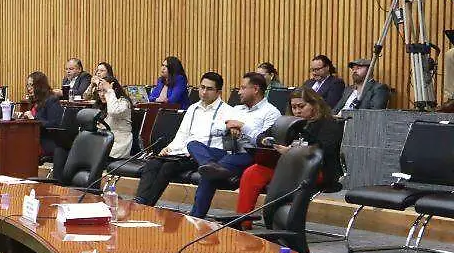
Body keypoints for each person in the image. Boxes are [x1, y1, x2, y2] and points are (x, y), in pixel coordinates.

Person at [234, 87, 343, 228]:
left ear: (314, 105)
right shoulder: (288, 122)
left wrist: (293, 151)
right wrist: (267, 141)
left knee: (284, 177)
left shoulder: (328, 123)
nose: (297, 111)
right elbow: (263, 135)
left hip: (316, 170)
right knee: (252, 172)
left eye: (301, 106)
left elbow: (324, 149)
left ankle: (281, 224)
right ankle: (242, 222)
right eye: (294, 107)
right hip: (288, 166)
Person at [188, 72, 280, 217]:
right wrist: (228, 127)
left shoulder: (271, 113)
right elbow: (214, 129)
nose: (239, 92)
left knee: (209, 173)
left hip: (251, 156)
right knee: (193, 144)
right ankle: (210, 163)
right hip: (230, 154)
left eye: (243, 88)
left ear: (255, 89)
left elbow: (265, 142)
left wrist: (242, 126)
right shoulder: (237, 109)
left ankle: (196, 216)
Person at [135, 72, 230, 207]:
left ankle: (146, 206)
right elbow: (182, 134)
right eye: (202, 87)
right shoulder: (193, 108)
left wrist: (195, 152)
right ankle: (139, 202)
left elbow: (222, 144)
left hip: (203, 157)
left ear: (218, 92)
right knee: (153, 163)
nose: (204, 92)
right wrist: (169, 148)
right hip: (181, 153)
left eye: (209, 89)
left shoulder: (227, 111)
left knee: (168, 167)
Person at [93, 76, 133, 159]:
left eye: (104, 90)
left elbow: (113, 111)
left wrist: (110, 91)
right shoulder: (101, 104)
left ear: (115, 90)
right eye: (99, 91)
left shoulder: (124, 102)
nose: (102, 94)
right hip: (103, 141)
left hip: (118, 144)